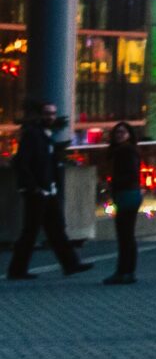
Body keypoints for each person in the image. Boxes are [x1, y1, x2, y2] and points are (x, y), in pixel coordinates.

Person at [9, 102, 89, 280]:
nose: (50, 117)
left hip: (46, 190)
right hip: (38, 192)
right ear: (40, 115)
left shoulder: (44, 135)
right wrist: (34, 187)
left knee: (54, 229)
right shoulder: (33, 135)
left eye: (53, 114)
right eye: (47, 113)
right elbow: (22, 162)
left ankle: (70, 264)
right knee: (33, 231)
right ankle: (17, 269)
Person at [102, 121, 142, 284]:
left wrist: (114, 183)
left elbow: (130, 173)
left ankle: (123, 271)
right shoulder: (129, 150)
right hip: (130, 194)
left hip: (126, 194)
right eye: (117, 132)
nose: (119, 135)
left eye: (122, 132)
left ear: (129, 135)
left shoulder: (124, 151)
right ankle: (128, 271)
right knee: (128, 235)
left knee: (124, 235)